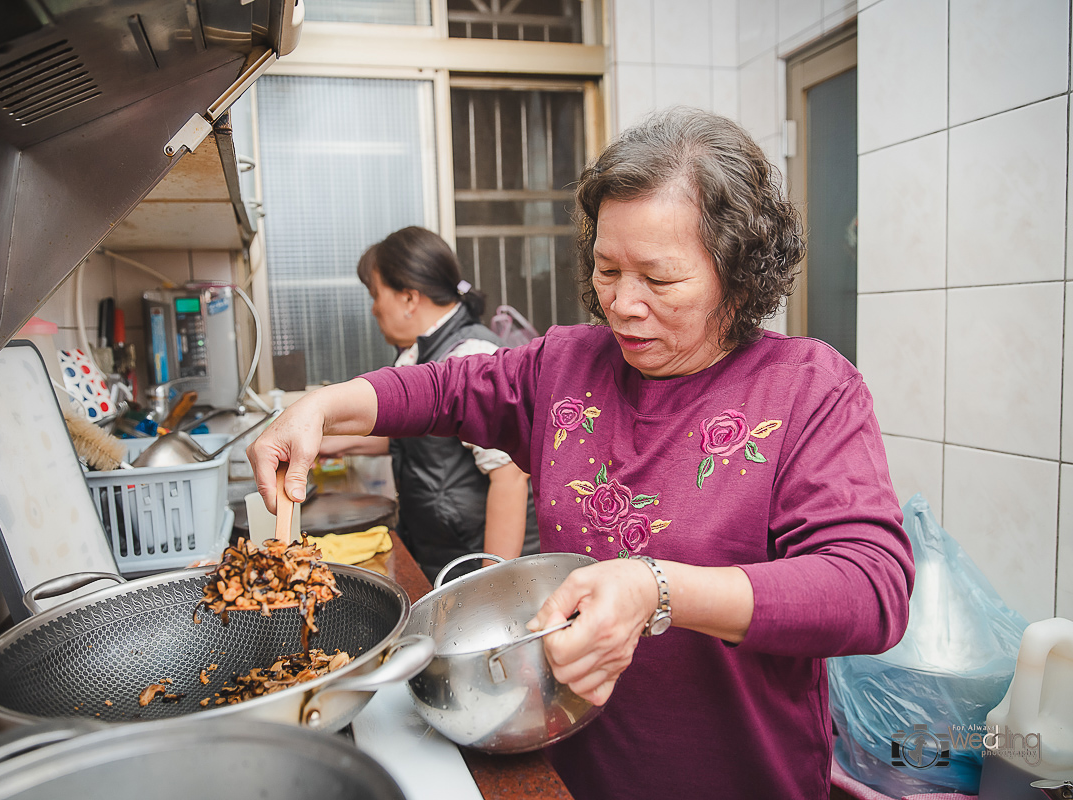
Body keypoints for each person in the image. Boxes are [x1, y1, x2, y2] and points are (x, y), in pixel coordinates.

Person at [248, 108, 914, 799]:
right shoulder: (566, 364)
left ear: (738, 275)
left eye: (659, 280)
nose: (623, 304)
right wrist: (323, 405)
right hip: (568, 771)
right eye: (607, 270)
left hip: (739, 776)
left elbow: (871, 589)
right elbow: (441, 388)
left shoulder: (807, 388)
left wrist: (656, 588)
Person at [316, 226, 540, 581]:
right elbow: (426, 438)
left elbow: (509, 476)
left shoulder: (471, 354)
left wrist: (492, 586)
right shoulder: (421, 353)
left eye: (375, 295)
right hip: (446, 552)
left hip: (476, 560)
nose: (374, 309)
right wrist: (329, 441)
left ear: (408, 299)